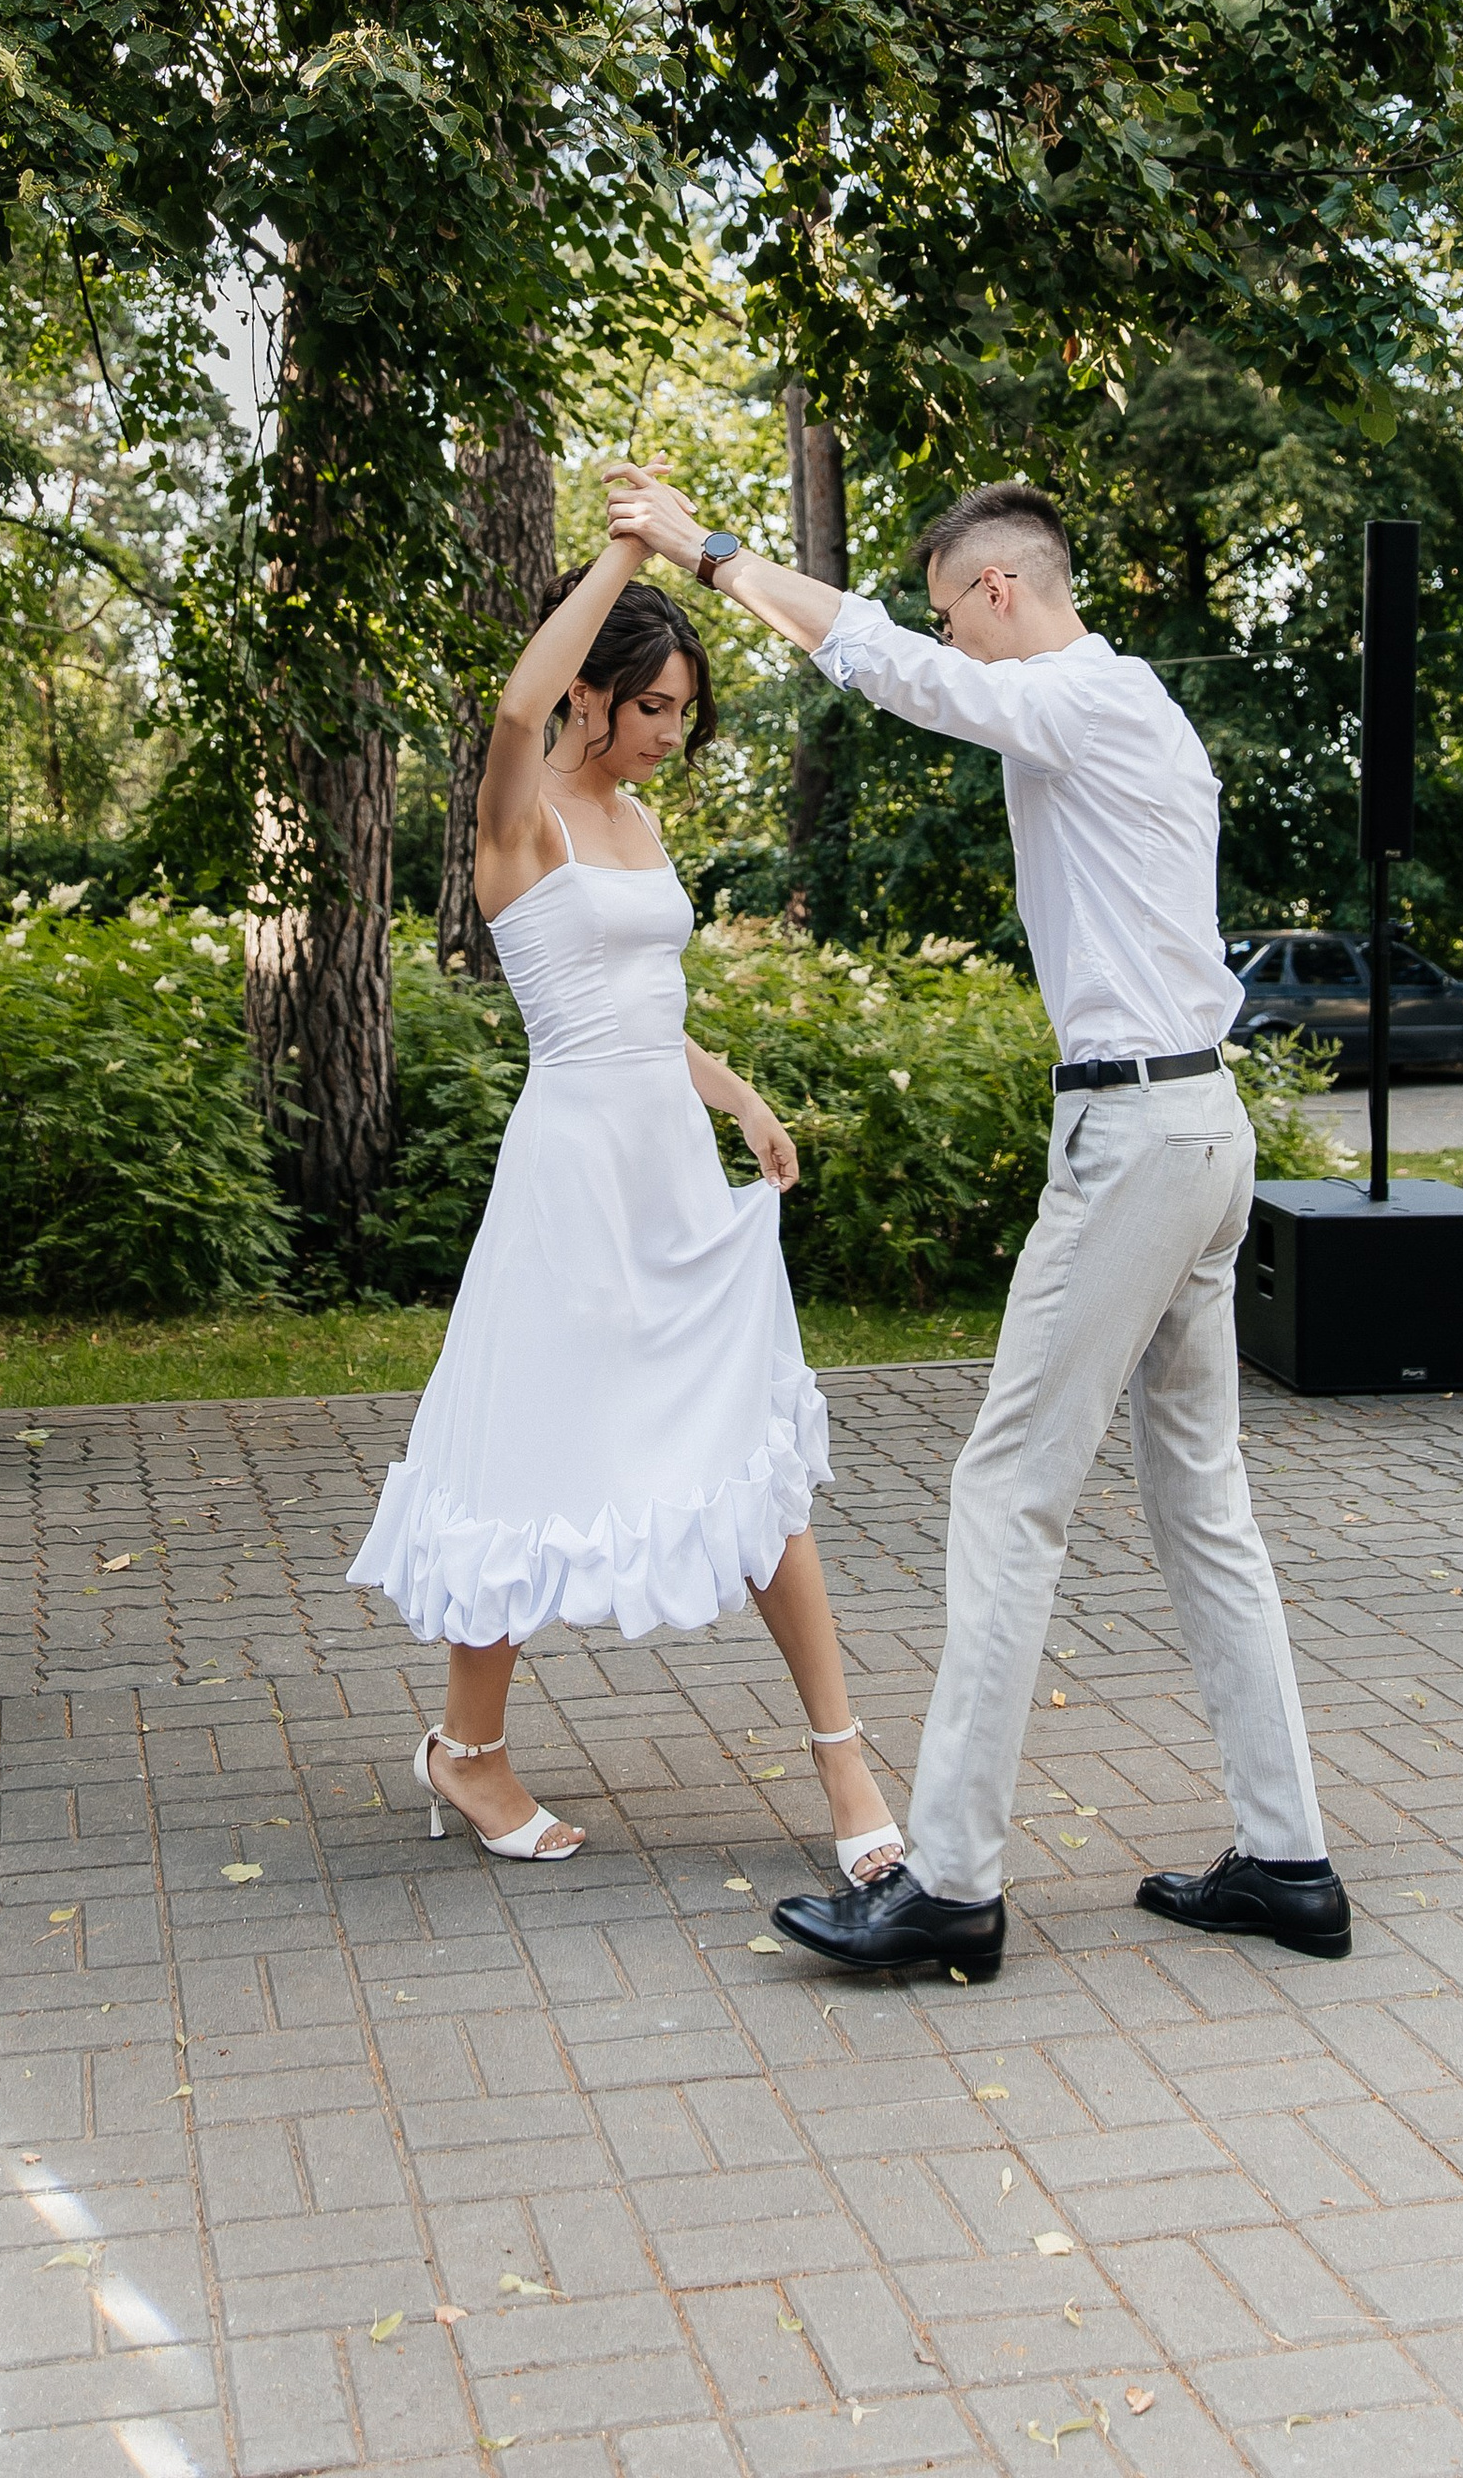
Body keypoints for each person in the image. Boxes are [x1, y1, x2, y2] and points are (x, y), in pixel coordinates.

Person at [604, 465, 1348, 1976]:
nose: (954, 637)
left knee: (1005, 1490)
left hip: (1143, 1138)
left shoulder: (1087, 694)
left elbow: (891, 664)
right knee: (1202, 1508)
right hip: (1191, 1126)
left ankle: (948, 1884)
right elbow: (917, 664)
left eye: (959, 608)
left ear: (1001, 589)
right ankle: (1288, 1864)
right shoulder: (1121, 712)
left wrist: (711, 551)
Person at [345, 532, 906, 1882]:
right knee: (529, 1463)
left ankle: (847, 1768)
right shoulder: (518, 814)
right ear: (592, 691)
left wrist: (741, 1098)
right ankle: (468, 1755)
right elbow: (513, 708)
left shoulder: (641, 823)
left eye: (684, 712)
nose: (672, 732)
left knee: (756, 1457)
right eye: (652, 703)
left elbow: (649, 1016)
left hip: (671, 1176)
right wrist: (621, 553)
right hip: (574, 1184)